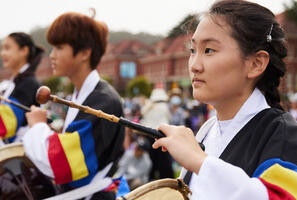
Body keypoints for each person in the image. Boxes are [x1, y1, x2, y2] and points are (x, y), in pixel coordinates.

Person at [153, 0, 297, 199]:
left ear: (256, 64)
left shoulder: (284, 136)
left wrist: (199, 161)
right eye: (192, 50)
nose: (194, 65)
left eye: (209, 50)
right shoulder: (206, 131)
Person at [23, 12, 124, 199]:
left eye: (59, 47)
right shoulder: (83, 95)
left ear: (85, 52)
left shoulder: (104, 101)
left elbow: (61, 163)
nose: (52, 55)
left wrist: (38, 126)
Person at [0, 32, 44, 143]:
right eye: (2, 49)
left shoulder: (28, 84)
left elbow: (6, 122)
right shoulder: (16, 82)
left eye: (7, 48)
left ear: (24, 50)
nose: (2, 53)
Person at [140, 87, 174, 180]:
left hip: (149, 134)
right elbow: (169, 119)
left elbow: (143, 118)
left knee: (152, 157)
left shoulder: (148, 106)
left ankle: (151, 177)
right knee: (164, 158)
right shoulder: (164, 106)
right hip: (161, 134)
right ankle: (165, 177)